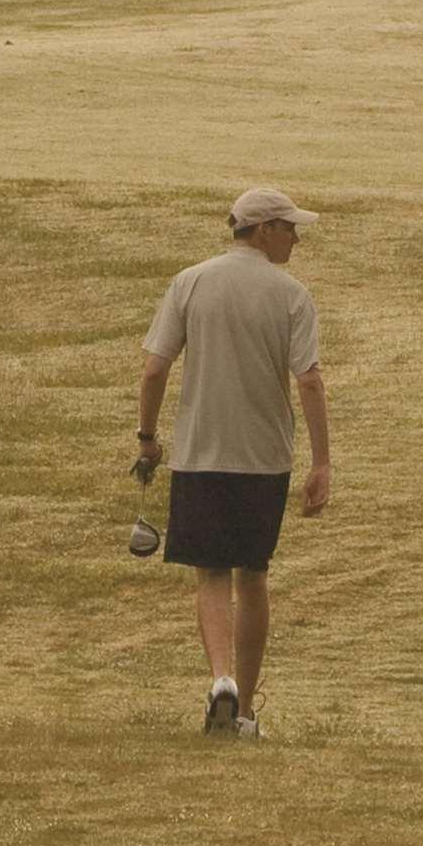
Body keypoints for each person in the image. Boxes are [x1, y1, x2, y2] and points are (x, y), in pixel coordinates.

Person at [135, 187, 333, 736]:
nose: (296, 236)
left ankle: (219, 677)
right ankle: (244, 708)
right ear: (263, 229)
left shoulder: (191, 281)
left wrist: (148, 438)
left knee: (212, 575)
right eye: (289, 227)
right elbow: (309, 380)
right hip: (264, 457)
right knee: (255, 574)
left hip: (200, 452)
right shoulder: (292, 294)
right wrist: (321, 462)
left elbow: (154, 369)